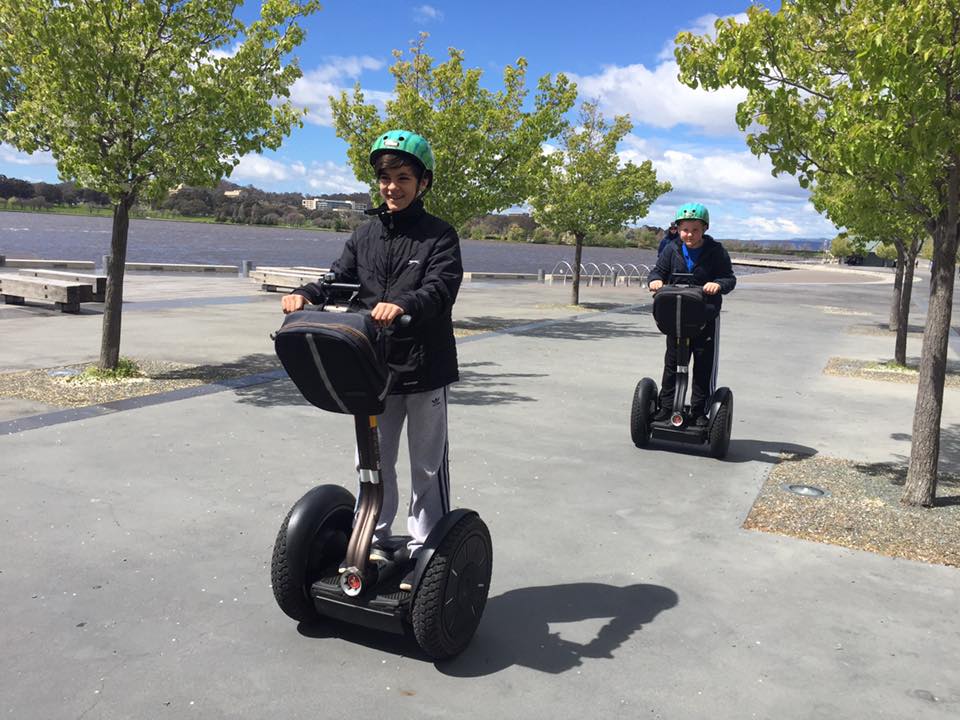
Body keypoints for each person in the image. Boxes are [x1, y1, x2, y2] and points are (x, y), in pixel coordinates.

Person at [281, 130, 462, 591]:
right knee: (373, 462)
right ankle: (376, 540)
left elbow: (440, 290)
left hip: (424, 366)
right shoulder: (364, 235)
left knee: (426, 464)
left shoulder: (440, 236)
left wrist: (405, 306)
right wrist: (308, 294)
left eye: (403, 178)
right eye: (385, 178)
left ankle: (426, 550)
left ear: (424, 183)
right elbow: (339, 279)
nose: (392, 187)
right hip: (372, 366)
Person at [647, 202, 735, 426]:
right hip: (677, 316)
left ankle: (699, 412)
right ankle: (666, 408)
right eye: (685, 229)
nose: (690, 234)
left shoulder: (715, 251)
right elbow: (658, 271)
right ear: (678, 228)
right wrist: (655, 280)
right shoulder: (671, 248)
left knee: (703, 364)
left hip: (704, 316)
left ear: (704, 228)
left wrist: (717, 284)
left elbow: (728, 278)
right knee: (672, 363)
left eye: (695, 229)